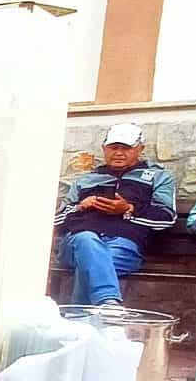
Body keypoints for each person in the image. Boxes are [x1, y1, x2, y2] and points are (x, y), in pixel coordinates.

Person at [54, 122, 176, 306]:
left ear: (140, 149)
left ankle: (81, 319)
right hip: (75, 243)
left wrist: (128, 209)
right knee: (87, 240)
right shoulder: (86, 179)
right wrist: (80, 207)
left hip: (124, 244)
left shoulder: (158, 177)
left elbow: (167, 218)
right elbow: (55, 219)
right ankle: (108, 305)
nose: (119, 152)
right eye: (113, 147)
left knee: (92, 265)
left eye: (125, 148)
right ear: (104, 149)